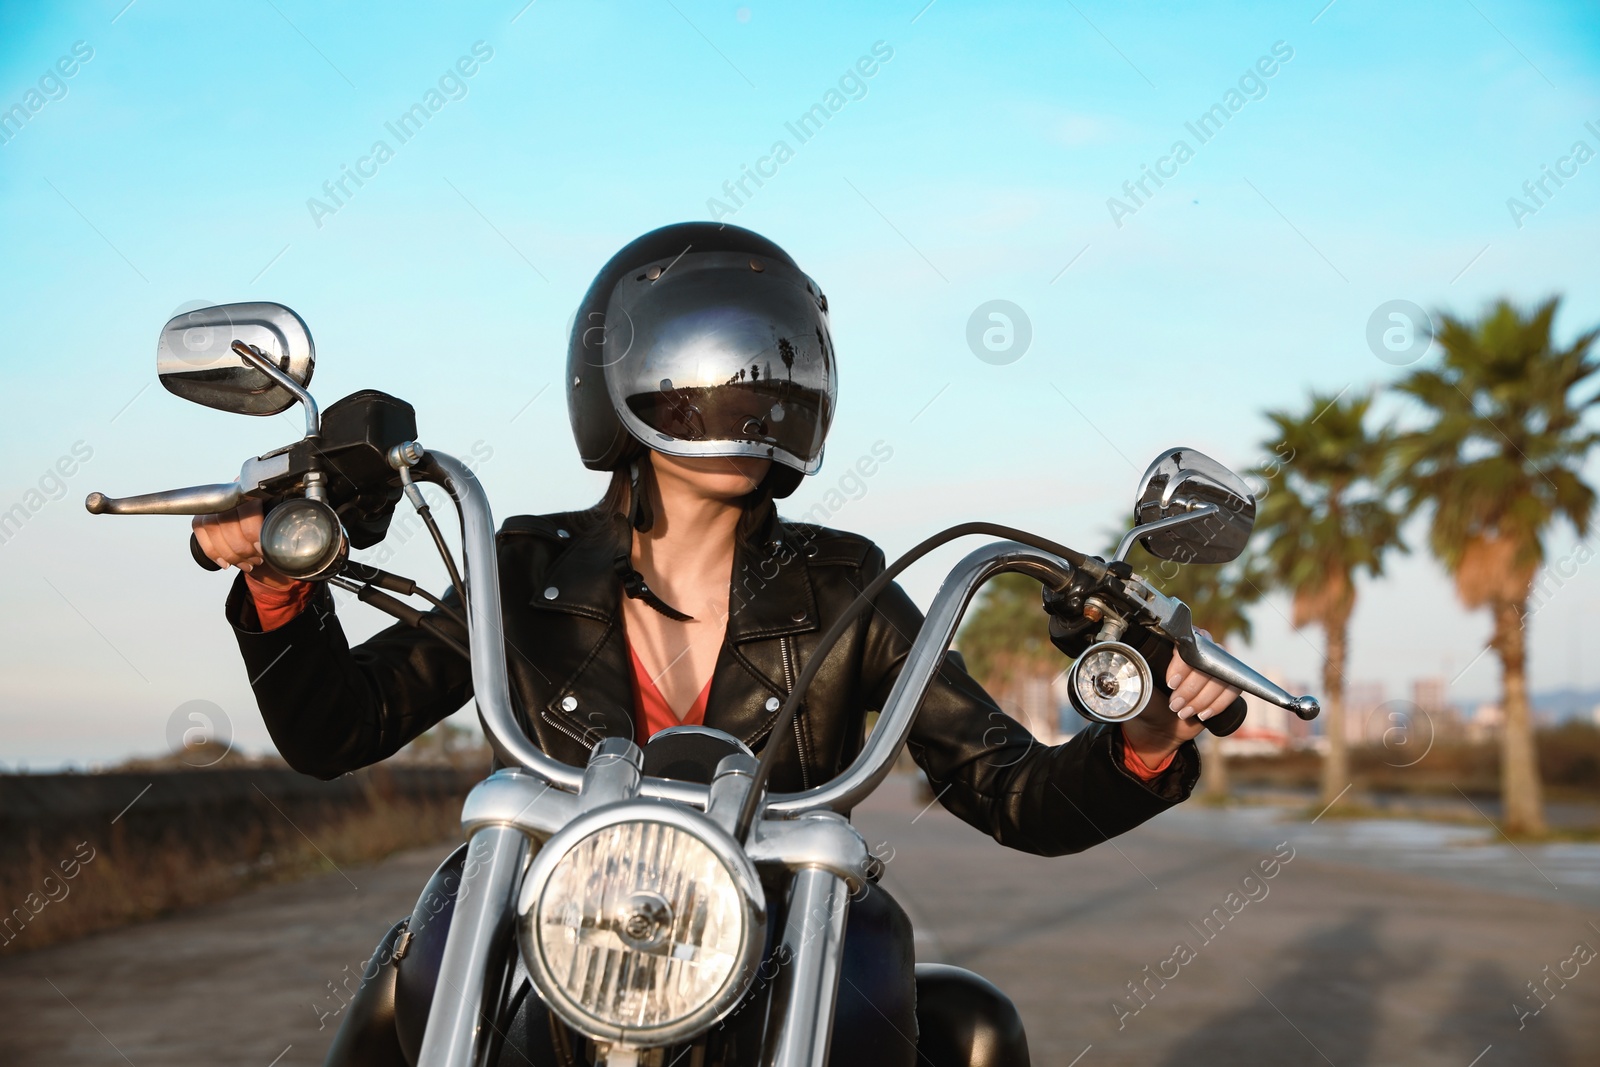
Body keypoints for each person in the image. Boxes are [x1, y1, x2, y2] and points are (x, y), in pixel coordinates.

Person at [193, 222, 1241, 1066]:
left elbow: (1011, 792)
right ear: (620, 370)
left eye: (773, 357)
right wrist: (279, 578)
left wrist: (1143, 729)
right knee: (404, 987)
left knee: (965, 1030)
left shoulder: (848, 583)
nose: (752, 383)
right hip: (559, 914)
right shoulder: (521, 566)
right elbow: (338, 726)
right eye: (717, 352)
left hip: (783, 929)